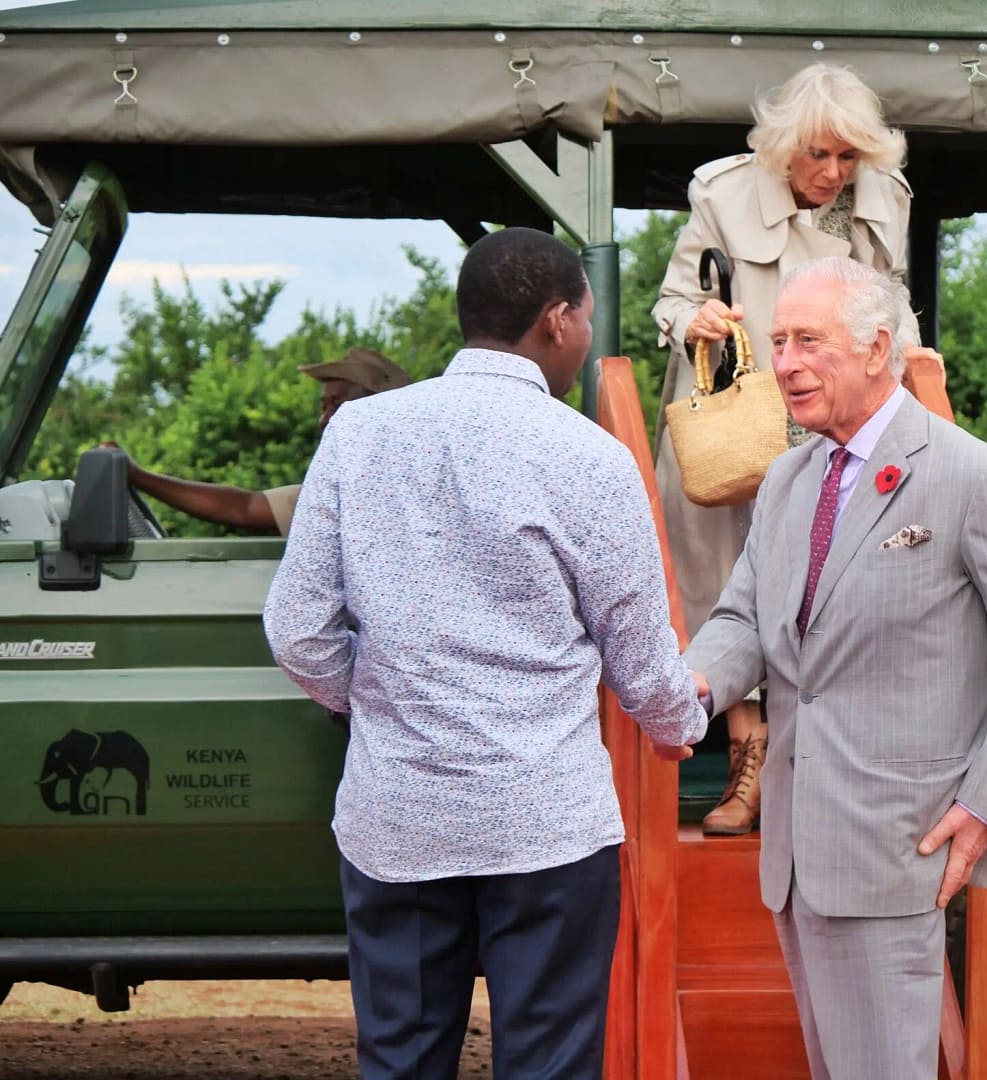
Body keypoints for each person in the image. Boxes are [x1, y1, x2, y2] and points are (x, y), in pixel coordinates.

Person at [262, 227, 707, 1080]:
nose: (584, 333)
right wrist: (677, 722)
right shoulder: (591, 458)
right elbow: (642, 656)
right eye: (584, 314)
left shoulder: (359, 437)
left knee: (400, 1060)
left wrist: (373, 700)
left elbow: (297, 629)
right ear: (556, 321)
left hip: (400, 816)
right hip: (546, 824)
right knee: (546, 1065)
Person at [684, 257, 987, 1078]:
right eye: (778, 341)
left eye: (807, 341)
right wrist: (686, 688)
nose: (786, 362)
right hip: (796, 853)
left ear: (875, 349)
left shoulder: (974, 477)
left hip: (899, 847)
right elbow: (741, 623)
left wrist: (985, 808)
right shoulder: (788, 479)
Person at [652, 61, 940, 835]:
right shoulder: (721, 192)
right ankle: (748, 768)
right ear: (783, 147)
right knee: (727, 586)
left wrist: (916, 363)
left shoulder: (887, 200)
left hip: (836, 417)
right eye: (819, 155)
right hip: (740, 419)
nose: (834, 173)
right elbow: (673, 300)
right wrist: (697, 322)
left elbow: (894, 306)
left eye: (849, 157)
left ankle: (814, 776)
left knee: (834, 587)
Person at [104, 347, 410, 535]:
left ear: (379, 414)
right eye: (323, 407)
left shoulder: (408, 495)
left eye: (337, 405)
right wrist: (137, 475)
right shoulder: (337, 494)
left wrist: (137, 474)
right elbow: (246, 507)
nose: (325, 421)